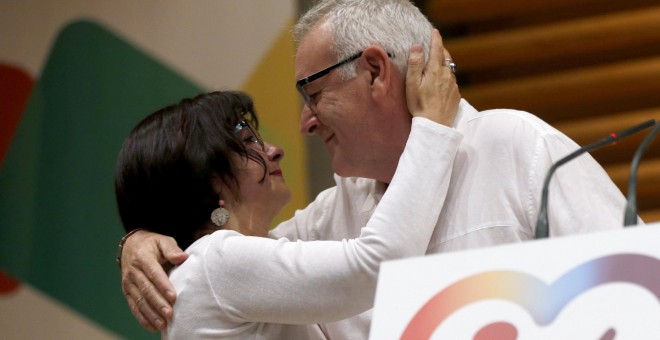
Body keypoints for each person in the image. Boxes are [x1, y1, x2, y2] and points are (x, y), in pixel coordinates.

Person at [120, 0, 630, 338]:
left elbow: (631, 294)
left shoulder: (518, 145)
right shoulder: (334, 212)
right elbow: (224, 251)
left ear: (374, 71)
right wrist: (142, 239)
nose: (303, 125)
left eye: (313, 94)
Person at [115, 28, 460, 338]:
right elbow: (378, 263)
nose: (274, 150)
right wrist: (432, 128)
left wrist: (135, 239)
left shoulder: (229, 262)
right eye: (246, 139)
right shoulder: (217, 262)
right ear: (209, 179)